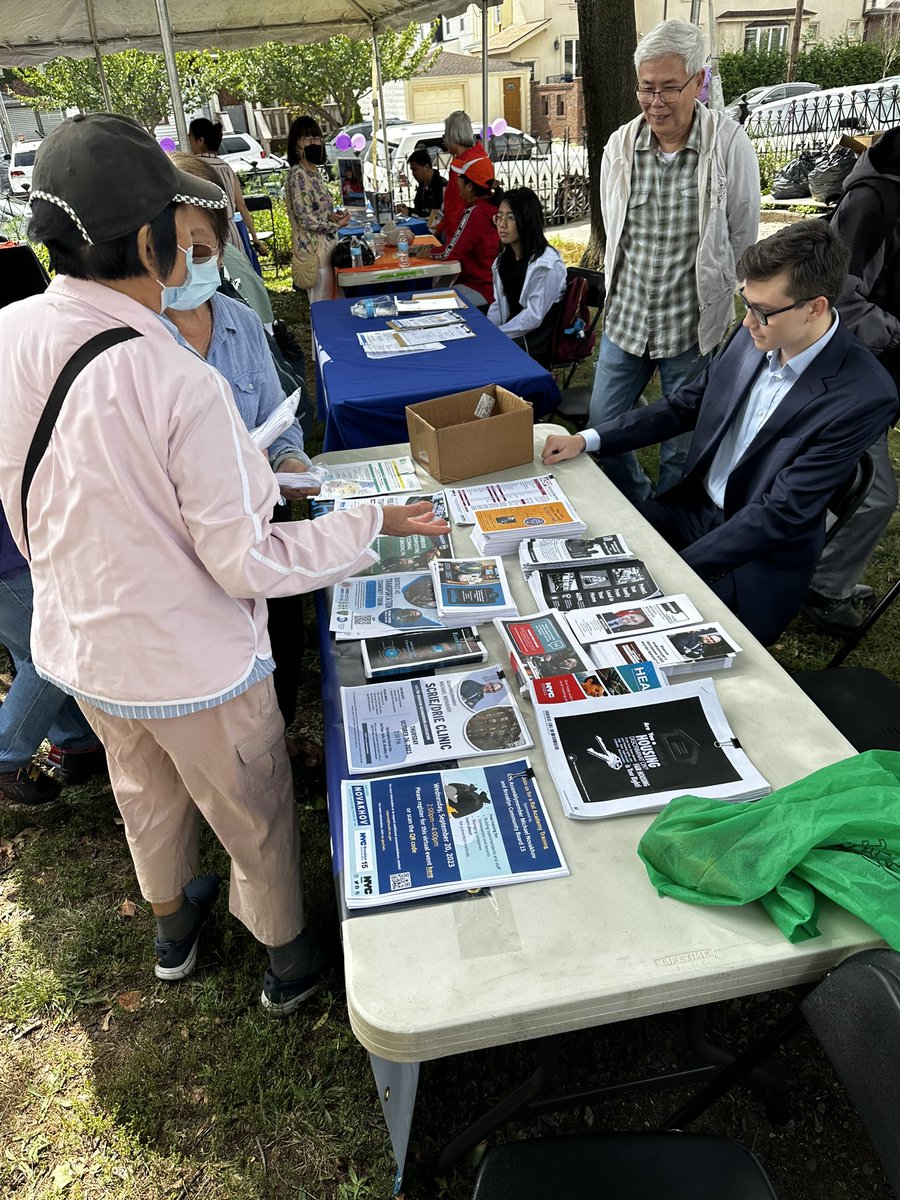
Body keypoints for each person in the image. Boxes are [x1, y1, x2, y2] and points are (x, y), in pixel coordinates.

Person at [0, 113, 449, 1013]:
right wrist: (365, 526)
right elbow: (245, 561)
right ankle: (288, 958)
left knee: (143, 793)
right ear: (147, 241)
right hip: (195, 661)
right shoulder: (174, 377)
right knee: (252, 808)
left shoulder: (9, 330)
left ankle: (174, 925)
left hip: (84, 644)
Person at [541, 221, 899, 645]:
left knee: (627, 634)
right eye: (745, 302)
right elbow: (684, 405)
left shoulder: (863, 394)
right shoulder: (758, 333)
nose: (747, 322)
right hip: (690, 510)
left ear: (815, 307)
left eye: (762, 310)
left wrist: (672, 567)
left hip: (756, 560)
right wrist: (588, 439)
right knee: (572, 565)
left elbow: (780, 512)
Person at [158, 157, 316, 751]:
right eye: (171, 248)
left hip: (261, 518)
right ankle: (224, 749)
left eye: (200, 247)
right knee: (211, 653)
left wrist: (291, 462)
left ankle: (275, 734)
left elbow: (279, 419)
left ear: (221, 252)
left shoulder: (242, 322)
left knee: (280, 633)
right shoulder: (142, 341)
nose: (186, 264)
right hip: (187, 542)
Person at [589, 19, 760, 504]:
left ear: (699, 82)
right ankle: (643, 507)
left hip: (690, 324)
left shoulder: (728, 145)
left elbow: (743, 238)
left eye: (669, 88)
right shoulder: (620, 147)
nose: (655, 102)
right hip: (626, 319)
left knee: (681, 451)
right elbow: (614, 229)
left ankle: (673, 539)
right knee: (604, 427)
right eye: (646, 88)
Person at [801, 127, 900, 634]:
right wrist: (894, 332)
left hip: (878, 372)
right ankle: (822, 590)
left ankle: (818, 574)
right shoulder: (872, 200)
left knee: (843, 483)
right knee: (875, 493)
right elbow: (835, 294)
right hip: (851, 369)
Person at [0, 503, 106, 804]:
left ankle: (77, 744)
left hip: (14, 553)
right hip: (9, 560)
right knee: (51, 651)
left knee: (29, 651)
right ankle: (5, 754)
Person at [487, 186, 567, 362]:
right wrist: (486, 330)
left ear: (526, 220)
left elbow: (533, 317)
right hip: (511, 337)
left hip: (533, 344)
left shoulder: (547, 265)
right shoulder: (503, 261)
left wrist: (497, 336)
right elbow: (498, 305)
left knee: (482, 356)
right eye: (499, 216)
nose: (502, 224)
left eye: (511, 217)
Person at [285, 115, 350, 304]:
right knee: (324, 307)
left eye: (316, 138)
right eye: (307, 138)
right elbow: (305, 218)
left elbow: (318, 211)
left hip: (328, 252)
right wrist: (335, 226)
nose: (313, 143)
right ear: (296, 144)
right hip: (315, 254)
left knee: (335, 304)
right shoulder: (298, 175)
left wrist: (332, 216)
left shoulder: (314, 173)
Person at [187, 118, 266, 272]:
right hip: (231, 231)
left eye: (190, 136)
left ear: (200, 140)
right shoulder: (226, 167)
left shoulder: (194, 166)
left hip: (207, 233)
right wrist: (254, 237)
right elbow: (241, 205)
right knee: (238, 279)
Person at [427, 158, 500, 305]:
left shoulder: (475, 213)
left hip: (480, 287)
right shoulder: (491, 207)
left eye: (459, 178)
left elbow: (449, 252)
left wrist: (428, 251)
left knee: (430, 303)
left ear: (469, 186)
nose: (456, 182)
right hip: (491, 285)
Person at [434, 110, 489, 244]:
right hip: (480, 232)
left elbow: (455, 206)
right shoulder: (482, 159)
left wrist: (443, 229)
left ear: (451, 136)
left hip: (462, 236)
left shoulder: (461, 166)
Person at [398, 148, 446, 222]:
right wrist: (407, 209)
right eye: (412, 170)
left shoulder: (440, 186)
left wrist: (409, 213)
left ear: (426, 167)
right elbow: (420, 211)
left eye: (415, 170)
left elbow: (436, 218)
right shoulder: (422, 185)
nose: (413, 174)